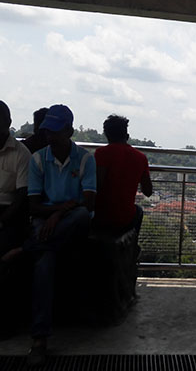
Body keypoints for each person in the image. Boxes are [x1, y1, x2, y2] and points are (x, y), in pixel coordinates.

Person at [23, 104, 96, 367]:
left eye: (54, 131)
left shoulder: (86, 159)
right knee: (45, 260)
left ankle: (26, 248)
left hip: (72, 221)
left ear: (69, 131)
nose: (49, 137)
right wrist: (59, 210)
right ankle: (39, 339)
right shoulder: (38, 159)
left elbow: (89, 204)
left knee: (77, 217)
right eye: (47, 131)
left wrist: (56, 214)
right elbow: (32, 205)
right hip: (49, 219)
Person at [0, 100, 31, 340]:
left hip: (9, 214)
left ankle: (7, 322)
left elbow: (22, 197)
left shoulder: (21, 154)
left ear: (8, 124)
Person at [93, 114, 152, 233]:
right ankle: (131, 247)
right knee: (138, 211)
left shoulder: (100, 154)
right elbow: (148, 191)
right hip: (125, 218)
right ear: (127, 136)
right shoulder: (140, 158)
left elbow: (96, 186)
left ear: (107, 135)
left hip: (101, 217)